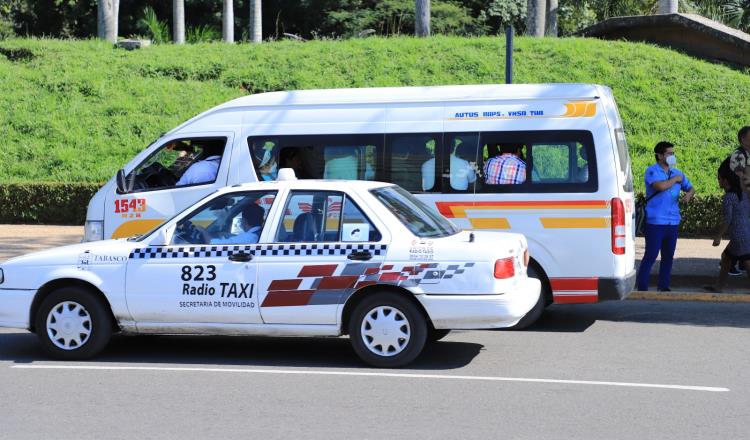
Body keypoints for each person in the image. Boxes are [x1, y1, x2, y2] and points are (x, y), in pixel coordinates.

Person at [636, 141, 695, 292]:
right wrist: (675, 180)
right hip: (656, 221)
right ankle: (642, 286)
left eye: (673, 153)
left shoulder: (678, 172)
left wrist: (688, 194)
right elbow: (659, 186)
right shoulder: (652, 171)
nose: (672, 156)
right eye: (669, 153)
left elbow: (691, 188)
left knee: (668, 256)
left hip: (673, 221)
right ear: (660, 155)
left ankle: (664, 286)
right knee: (651, 255)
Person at [704, 159, 750, 292]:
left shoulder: (729, 197)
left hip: (739, 235)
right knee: (727, 258)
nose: (718, 181)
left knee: (746, 261)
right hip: (745, 232)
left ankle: (719, 286)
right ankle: (719, 286)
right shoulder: (744, 195)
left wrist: (718, 236)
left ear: (725, 181)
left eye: (719, 179)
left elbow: (727, 219)